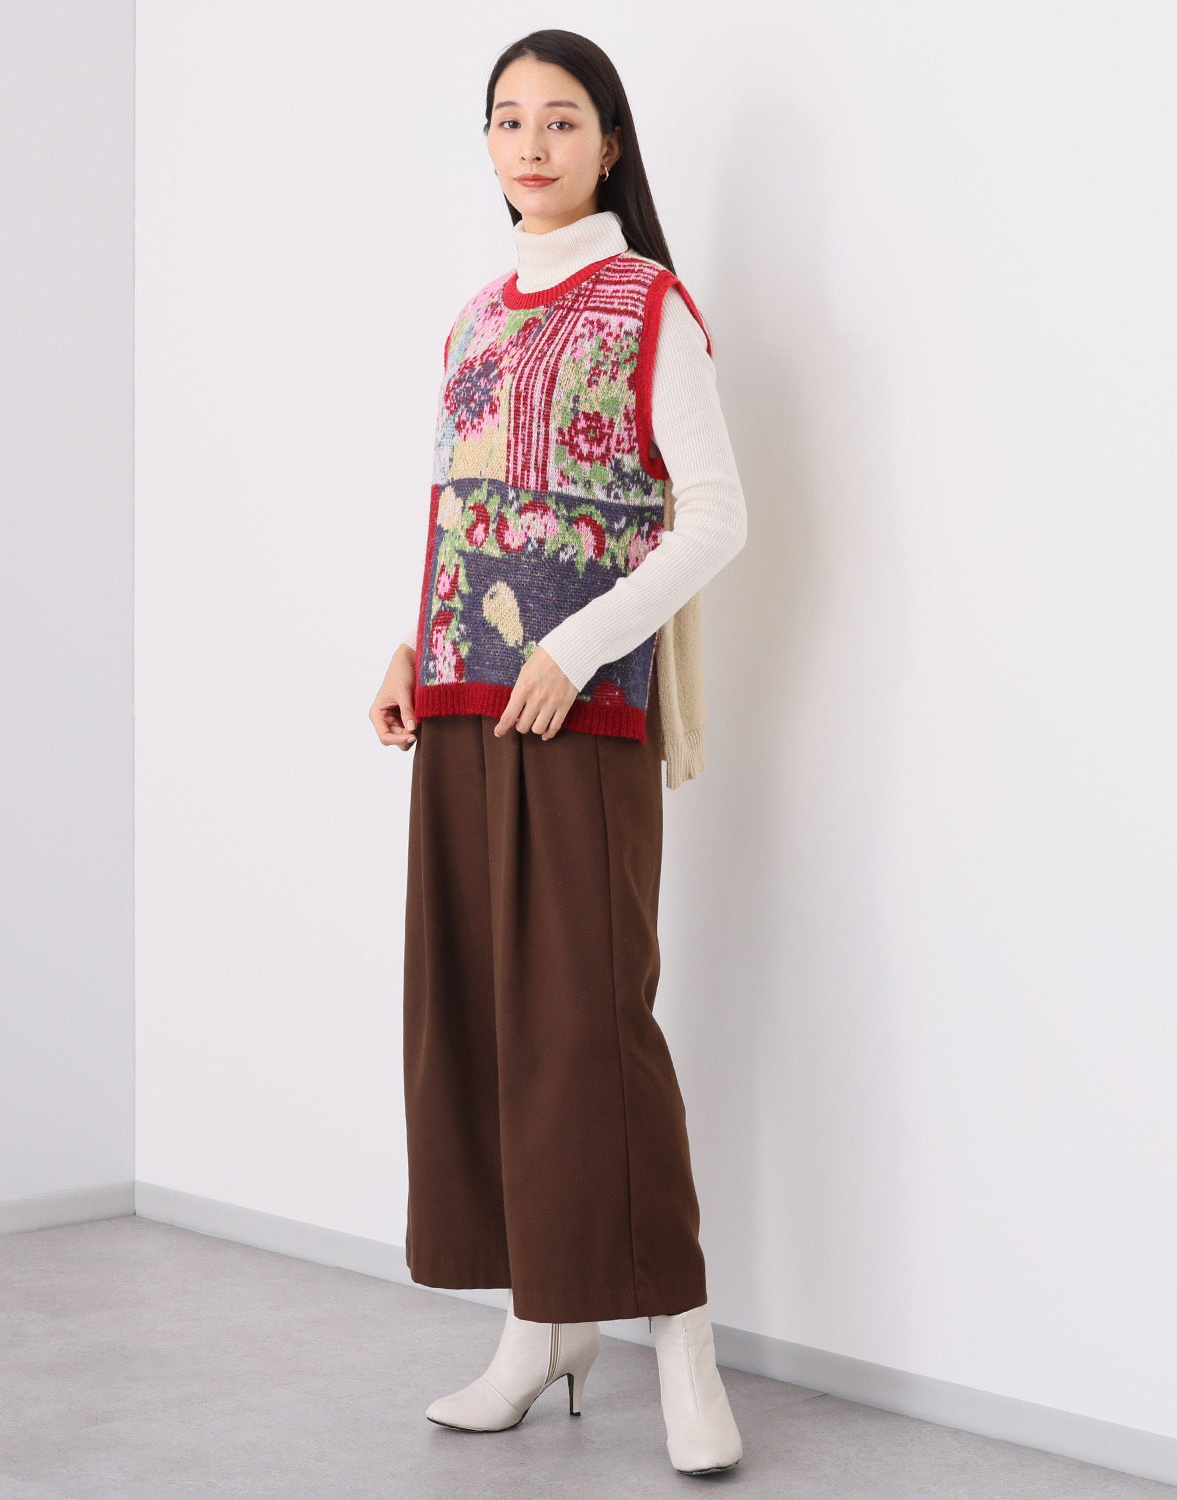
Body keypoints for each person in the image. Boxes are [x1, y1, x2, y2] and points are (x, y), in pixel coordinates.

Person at [367, 29, 749, 1477]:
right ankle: (543, 1330)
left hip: (580, 714)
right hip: (460, 705)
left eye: (562, 119)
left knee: (592, 1027)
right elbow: (462, 514)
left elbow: (716, 517)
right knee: (484, 1019)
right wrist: (408, 649)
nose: (531, 144)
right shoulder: (471, 320)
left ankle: (685, 1346)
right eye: (508, 120)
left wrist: (577, 646)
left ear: (611, 144)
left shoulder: (650, 304)